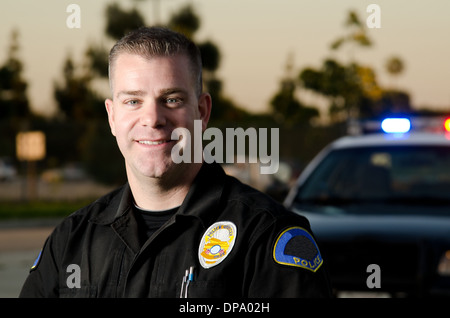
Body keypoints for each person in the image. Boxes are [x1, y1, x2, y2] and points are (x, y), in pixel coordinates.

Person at [19, 27, 332, 298]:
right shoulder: (70, 241)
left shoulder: (267, 236)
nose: (153, 119)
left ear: (202, 111)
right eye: (133, 101)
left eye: (171, 99)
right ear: (112, 117)